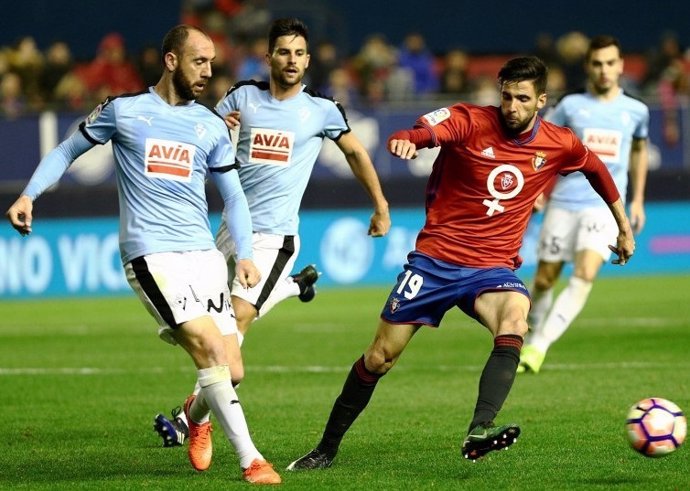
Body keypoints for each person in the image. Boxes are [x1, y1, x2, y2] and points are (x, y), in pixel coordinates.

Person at [286, 55, 635, 470]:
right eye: (506, 96)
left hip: (492, 269)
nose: (512, 106)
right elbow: (425, 130)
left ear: (541, 99)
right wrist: (408, 139)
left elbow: (596, 168)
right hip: (435, 261)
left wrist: (623, 225)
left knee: (515, 320)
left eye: (522, 98)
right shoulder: (469, 120)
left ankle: (479, 429)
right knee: (380, 356)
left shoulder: (559, 143)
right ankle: (326, 448)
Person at [5, 25, 281, 485]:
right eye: (199, 61)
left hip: (203, 255)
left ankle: (196, 416)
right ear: (171, 60)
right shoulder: (125, 111)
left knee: (231, 370)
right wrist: (29, 195)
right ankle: (252, 459)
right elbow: (67, 150)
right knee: (210, 350)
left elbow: (233, 197)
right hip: (152, 255)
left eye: (212, 63)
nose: (208, 72)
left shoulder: (210, 124)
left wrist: (246, 254)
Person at [152, 17, 391, 447]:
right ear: (268, 57)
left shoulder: (321, 110)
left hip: (274, 238)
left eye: (299, 53)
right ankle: (294, 287)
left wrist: (381, 204)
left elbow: (355, 152)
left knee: (237, 320)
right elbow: (201, 135)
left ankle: (191, 415)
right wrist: (222, 128)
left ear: (308, 59)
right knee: (214, 320)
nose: (292, 60)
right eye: (284, 52)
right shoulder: (243, 96)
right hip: (230, 230)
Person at [518, 36, 649, 374]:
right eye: (597, 63)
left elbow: (638, 151)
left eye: (610, 63)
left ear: (621, 65)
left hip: (604, 206)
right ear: (588, 66)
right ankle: (523, 335)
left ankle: (538, 347)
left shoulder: (637, 111)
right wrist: (538, 189)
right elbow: (543, 149)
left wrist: (636, 200)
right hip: (563, 202)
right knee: (545, 279)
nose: (604, 70)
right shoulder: (571, 106)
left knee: (586, 272)